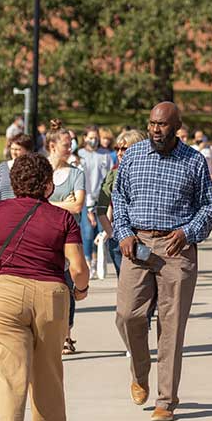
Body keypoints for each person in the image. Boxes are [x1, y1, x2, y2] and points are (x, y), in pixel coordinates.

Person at [0, 153, 89, 421]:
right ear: (48, 186)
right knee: (47, 365)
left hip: (4, 294)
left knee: (9, 370)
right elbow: (78, 268)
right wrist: (80, 290)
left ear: (13, 183)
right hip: (49, 295)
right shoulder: (62, 219)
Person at [112, 102, 212, 421]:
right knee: (127, 315)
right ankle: (140, 372)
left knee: (170, 328)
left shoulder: (194, 162)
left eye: (163, 125)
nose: (157, 129)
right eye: (152, 124)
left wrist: (189, 232)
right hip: (138, 246)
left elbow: (209, 207)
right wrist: (123, 233)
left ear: (177, 126)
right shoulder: (133, 155)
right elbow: (119, 197)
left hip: (176, 249)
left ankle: (166, 400)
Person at [46, 120, 86, 355]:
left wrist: (48, 205)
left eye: (71, 144)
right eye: (65, 144)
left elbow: (78, 205)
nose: (70, 148)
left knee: (68, 285)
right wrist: (64, 204)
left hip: (69, 238)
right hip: (45, 238)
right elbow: (33, 203)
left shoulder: (76, 174)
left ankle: (66, 335)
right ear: (52, 146)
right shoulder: (42, 171)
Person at [97, 130, 147, 276]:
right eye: (117, 149)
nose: (119, 153)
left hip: (144, 239)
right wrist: (112, 234)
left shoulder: (148, 175)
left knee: (147, 288)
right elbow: (100, 209)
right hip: (120, 241)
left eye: (124, 149)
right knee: (126, 290)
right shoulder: (113, 174)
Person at [77, 126, 115, 277]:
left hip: (102, 199)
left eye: (95, 137)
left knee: (101, 232)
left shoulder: (105, 155)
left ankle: (96, 260)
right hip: (85, 198)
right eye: (90, 137)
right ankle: (87, 261)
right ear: (85, 137)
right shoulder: (80, 155)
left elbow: (110, 178)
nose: (93, 140)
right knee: (87, 232)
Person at [0, 134, 35, 206]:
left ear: (28, 151)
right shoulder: (3, 167)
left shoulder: (34, 169)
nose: (14, 152)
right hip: (3, 212)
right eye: (12, 149)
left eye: (17, 149)